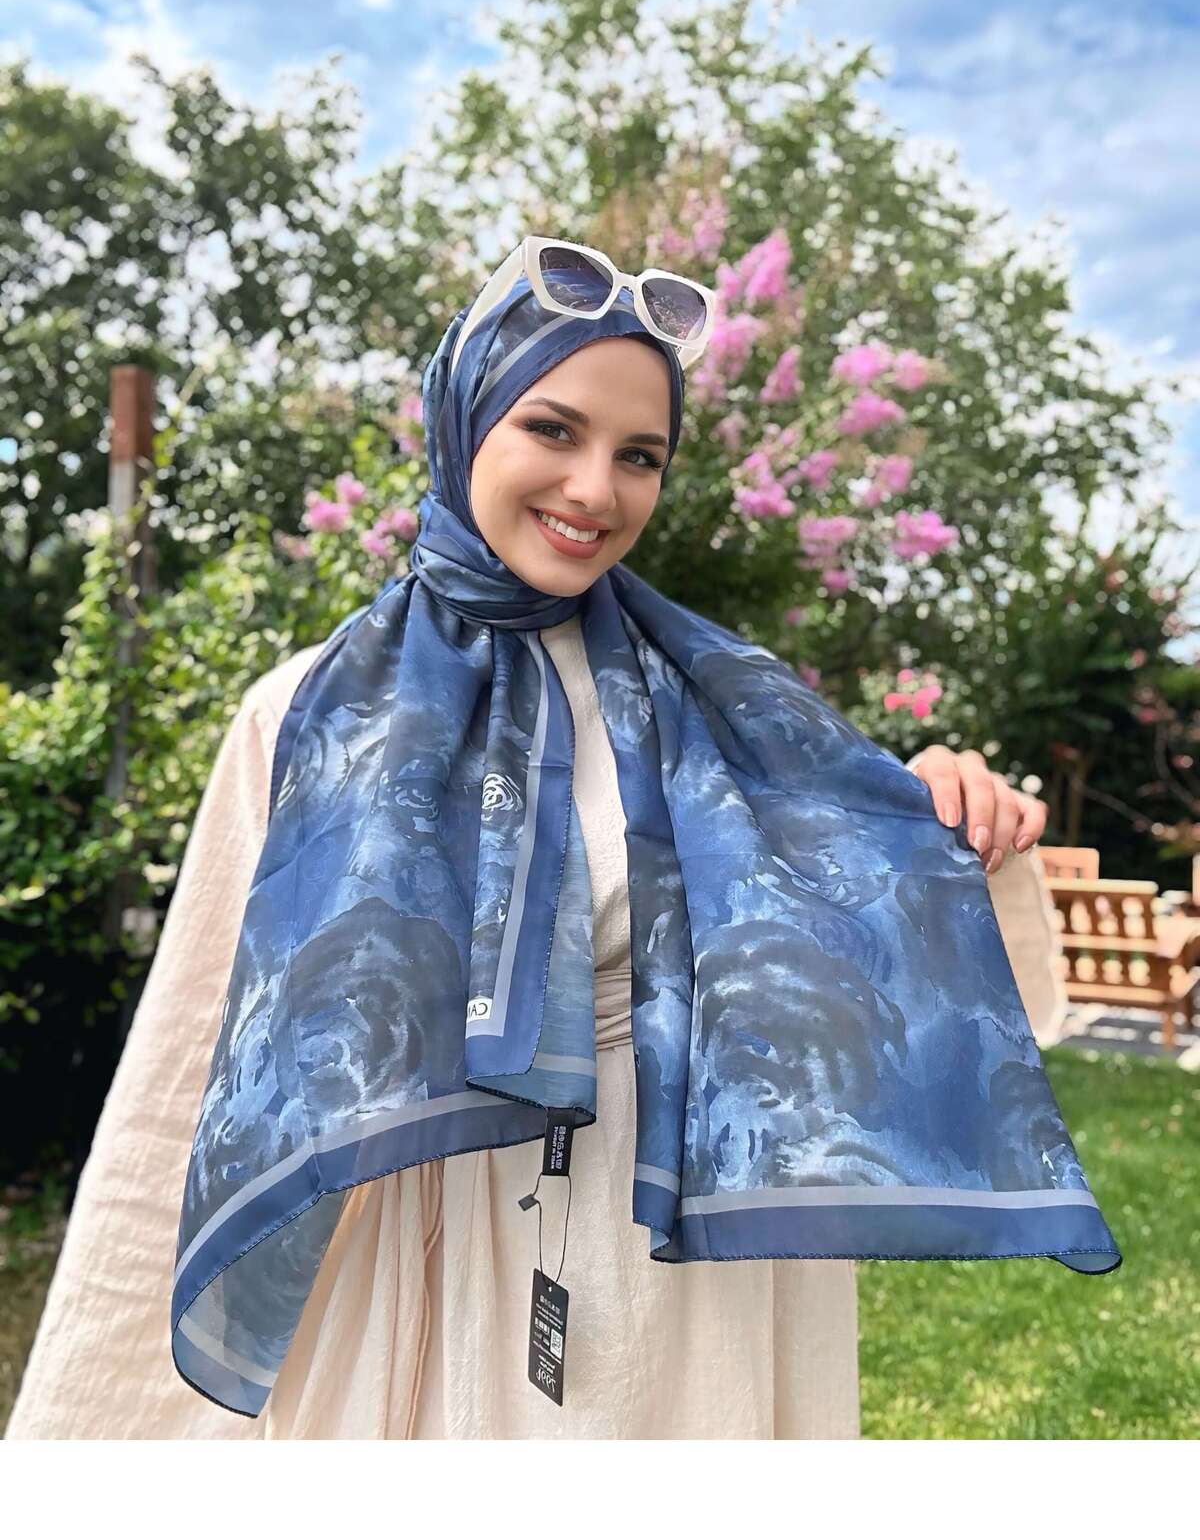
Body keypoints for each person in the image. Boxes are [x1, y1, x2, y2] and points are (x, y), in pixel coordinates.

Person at [5, 239, 1117, 1443]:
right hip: (416, 1254)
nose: (596, 490)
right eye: (552, 429)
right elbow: (192, 1061)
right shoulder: (308, 716)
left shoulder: (721, 709)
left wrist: (942, 807)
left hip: (670, 1271)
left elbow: (846, 910)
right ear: (463, 420)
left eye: (640, 455)